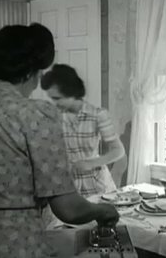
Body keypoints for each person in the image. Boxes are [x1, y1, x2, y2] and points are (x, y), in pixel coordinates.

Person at [0, 24, 119, 258]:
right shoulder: (36, 116)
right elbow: (68, 209)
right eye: (39, 73)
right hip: (18, 246)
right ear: (30, 72)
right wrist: (103, 210)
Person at [40, 64, 126, 197]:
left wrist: (91, 163)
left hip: (96, 184)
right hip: (68, 184)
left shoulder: (97, 115)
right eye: (52, 99)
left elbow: (118, 150)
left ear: (71, 92)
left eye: (57, 98)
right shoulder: (54, 116)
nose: (54, 103)